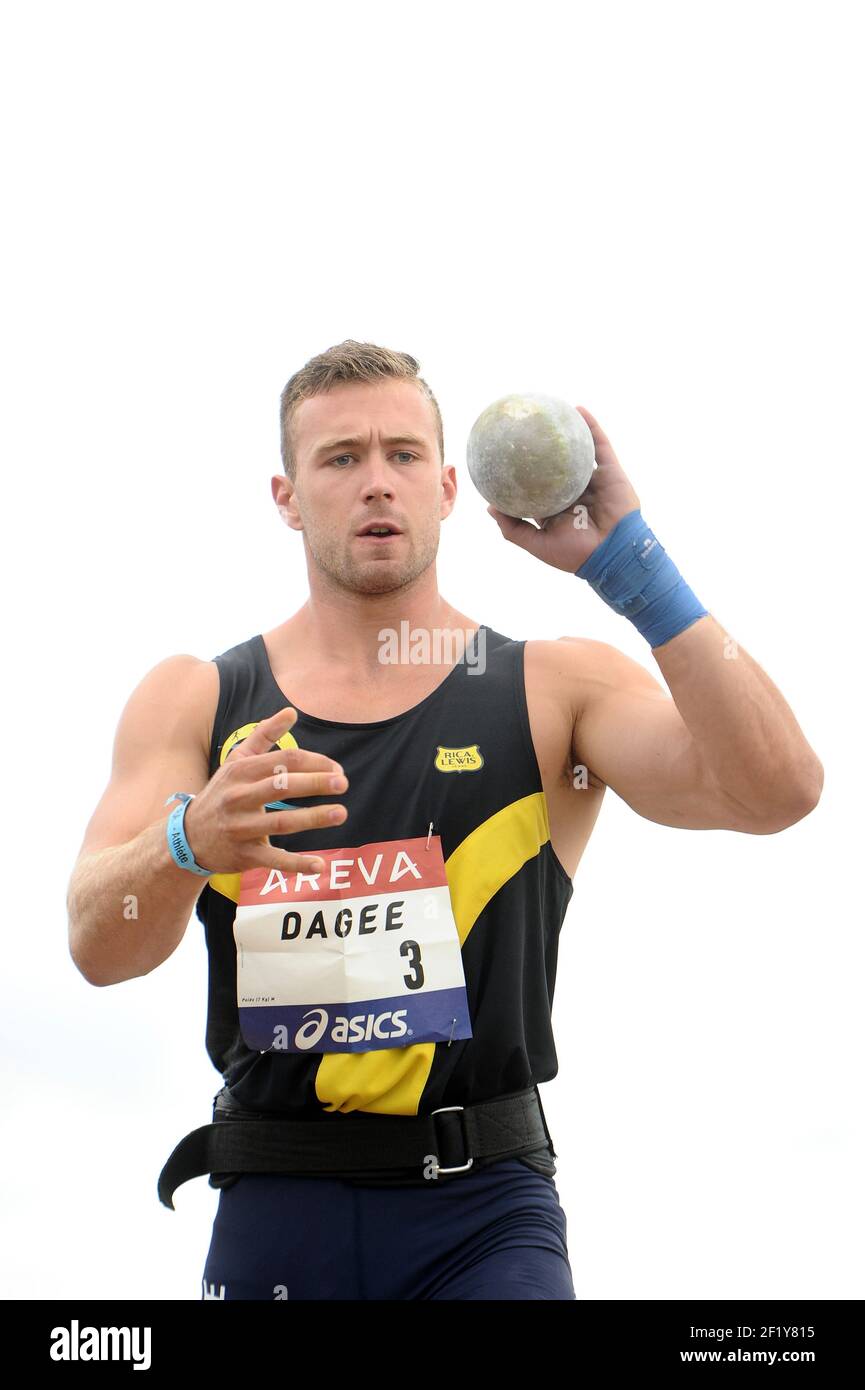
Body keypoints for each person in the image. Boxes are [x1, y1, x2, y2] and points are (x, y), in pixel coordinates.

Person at [67, 339, 823, 1301]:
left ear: (448, 486)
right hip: (274, 1212)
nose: (376, 483)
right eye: (340, 459)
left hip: (480, 1218)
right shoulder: (198, 700)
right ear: (287, 496)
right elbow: (100, 947)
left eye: (403, 455)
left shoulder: (552, 689)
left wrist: (633, 569)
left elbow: (777, 793)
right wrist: (186, 843)